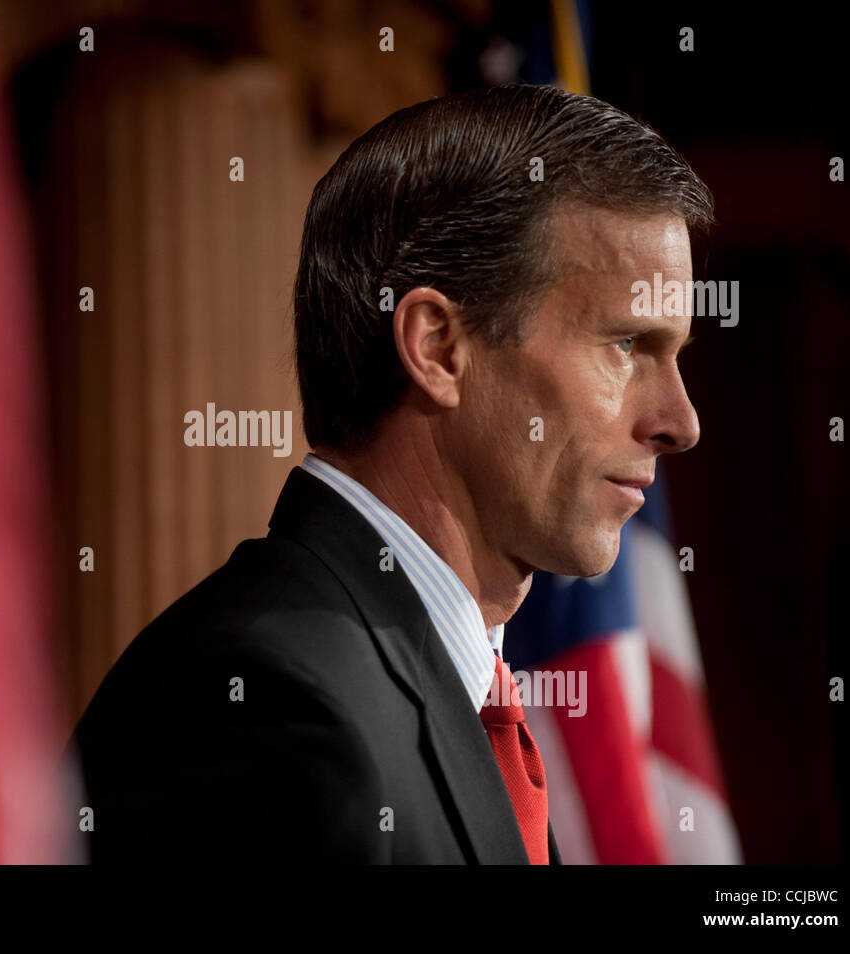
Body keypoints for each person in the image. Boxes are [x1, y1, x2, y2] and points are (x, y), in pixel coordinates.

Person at [68, 84, 713, 863]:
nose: (680, 421)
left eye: (673, 356)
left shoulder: (447, 689)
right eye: (626, 346)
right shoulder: (261, 703)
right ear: (439, 349)